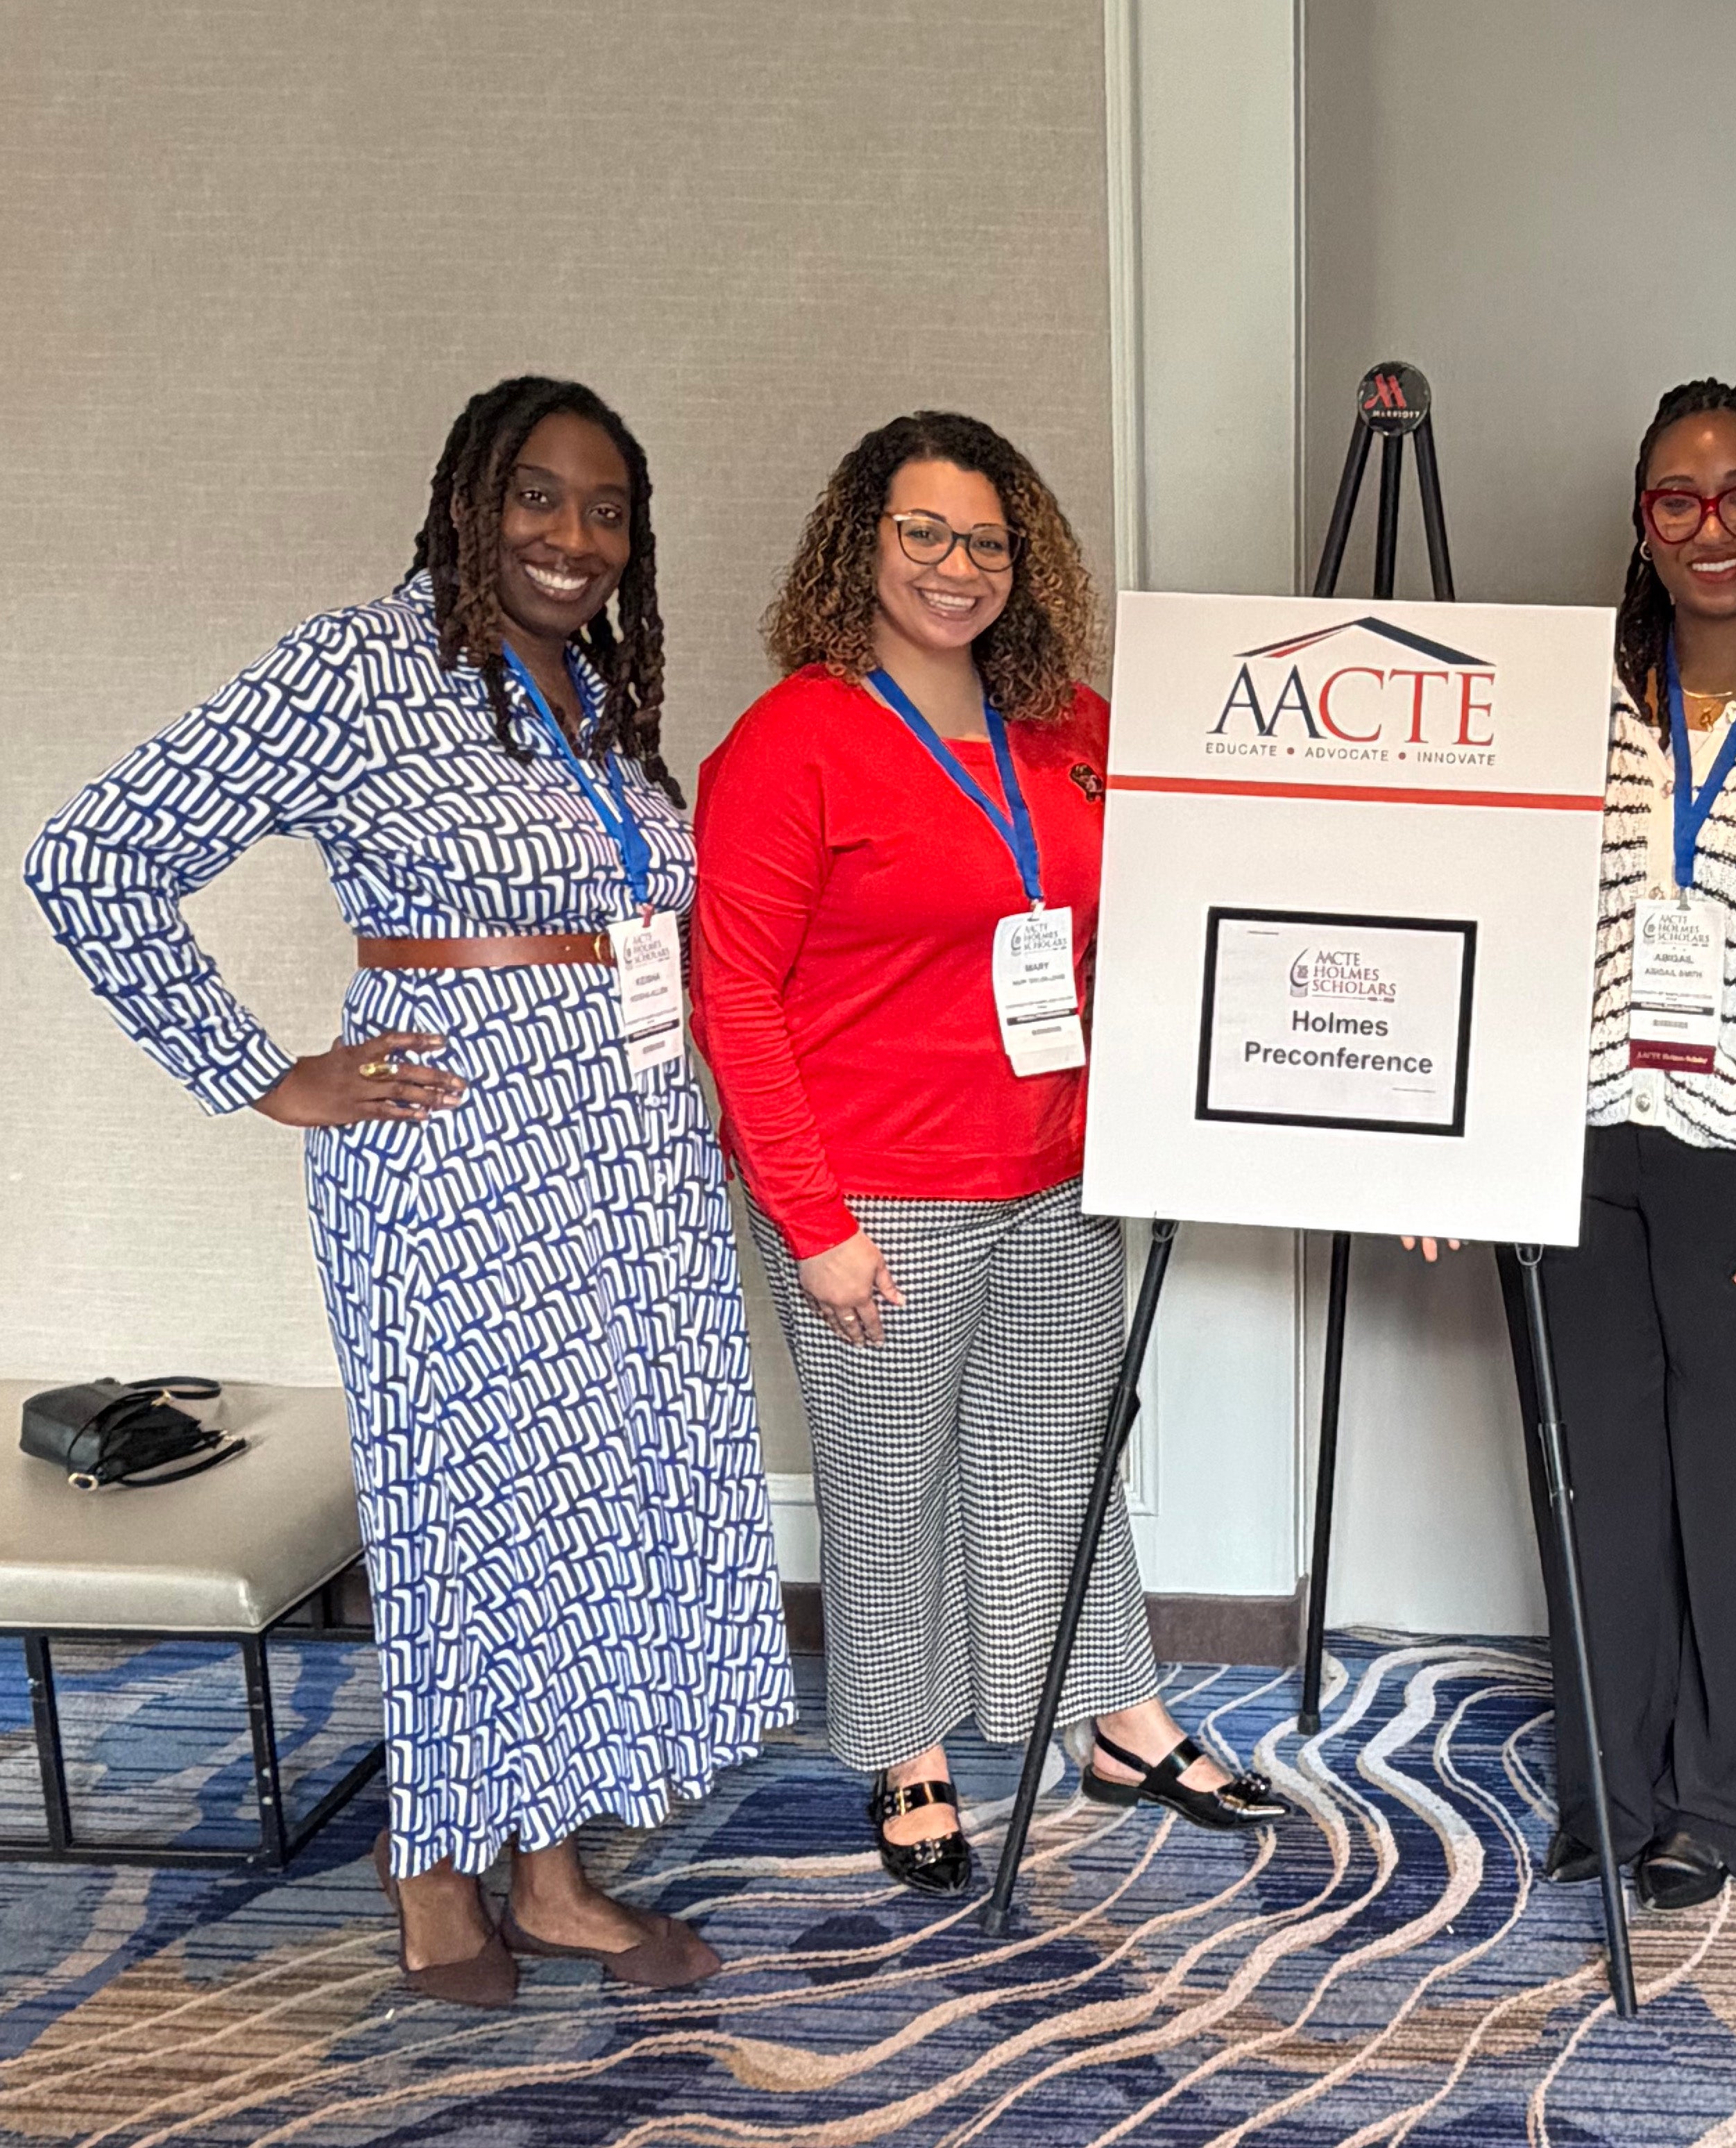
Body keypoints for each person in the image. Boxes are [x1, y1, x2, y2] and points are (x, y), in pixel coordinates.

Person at [24, 377, 794, 2007]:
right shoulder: (361, 667)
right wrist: (266, 1072)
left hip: (628, 1160)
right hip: (459, 1165)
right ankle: (432, 1867)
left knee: (585, 1504)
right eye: (538, 496)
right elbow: (93, 855)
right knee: (464, 1512)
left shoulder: (594, 688)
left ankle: (552, 1873)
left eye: (606, 510)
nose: (574, 536)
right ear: (467, 501)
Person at [693, 411, 1284, 1897]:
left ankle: (1115, 1717)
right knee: (890, 1478)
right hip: (872, 1187)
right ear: (860, 543)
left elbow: (1172, 903)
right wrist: (812, 1221)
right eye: (924, 534)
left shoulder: (1069, 727)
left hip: (1058, 1167)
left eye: (988, 542)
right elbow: (735, 995)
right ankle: (906, 1747)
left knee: (1061, 1457)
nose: (956, 567)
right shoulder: (792, 741)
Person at [1427, 379, 1736, 1913]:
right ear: (1642, 521)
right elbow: (1497, 927)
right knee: (1596, 1497)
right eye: (1679, 498)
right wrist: (1451, 1143)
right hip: (1573, 1155)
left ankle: (1720, 1799)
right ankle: (1610, 1787)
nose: (1714, 526)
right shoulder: (1567, 698)